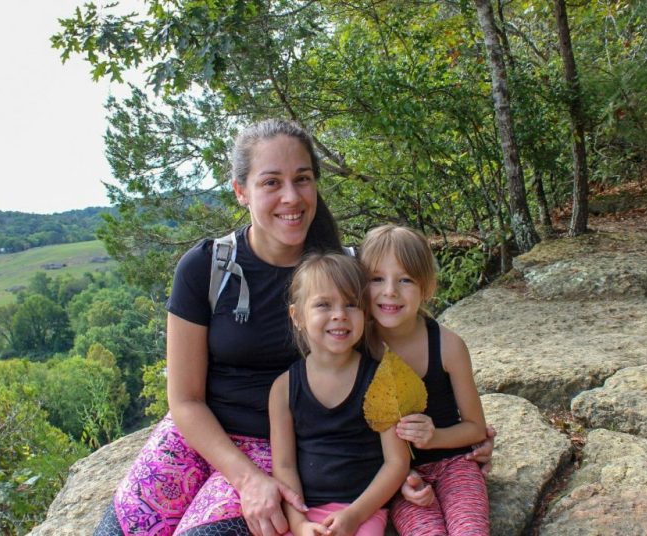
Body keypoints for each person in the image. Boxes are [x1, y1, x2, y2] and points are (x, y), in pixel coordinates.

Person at [94, 119, 494, 536]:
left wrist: (458, 436)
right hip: (199, 438)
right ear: (241, 191)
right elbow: (185, 400)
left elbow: (405, 342)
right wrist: (245, 480)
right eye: (271, 182)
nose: (291, 197)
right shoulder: (207, 268)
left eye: (302, 179)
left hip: (282, 448)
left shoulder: (346, 272)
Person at [359, 225, 490, 535]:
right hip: (399, 479)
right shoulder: (356, 347)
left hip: (454, 466)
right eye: (377, 279)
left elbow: (475, 427)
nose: (390, 291)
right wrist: (397, 482)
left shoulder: (447, 346)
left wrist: (435, 438)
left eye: (405, 280)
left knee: (470, 530)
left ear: (427, 287)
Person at [270, 253, 409, 536]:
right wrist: (299, 525)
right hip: (305, 513)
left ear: (365, 313)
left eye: (351, 304)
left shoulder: (381, 380)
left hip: (363, 510)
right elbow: (284, 465)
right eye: (323, 304)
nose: (339, 315)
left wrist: (355, 515)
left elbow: (396, 462)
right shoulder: (283, 388)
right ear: (297, 317)